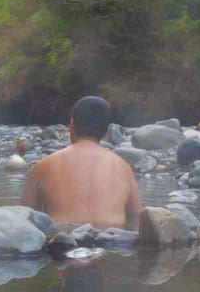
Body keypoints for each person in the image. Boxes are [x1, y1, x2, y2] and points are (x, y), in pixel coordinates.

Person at [20, 95, 142, 229]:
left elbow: (25, 218)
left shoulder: (43, 166)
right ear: (106, 131)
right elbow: (136, 218)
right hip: (111, 241)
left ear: (71, 125)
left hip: (63, 241)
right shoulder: (124, 168)